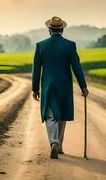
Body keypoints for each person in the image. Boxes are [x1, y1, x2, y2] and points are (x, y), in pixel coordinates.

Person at [32, 16, 89, 159]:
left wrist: (35, 89)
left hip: (48, 86)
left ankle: (54, 143)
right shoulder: (70, 45)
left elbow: (36, 69)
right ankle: (59, 145)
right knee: (62, 115)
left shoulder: (40, 45)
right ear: (62, 29)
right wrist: (83, 86)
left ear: (49, 30)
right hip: (64, 86)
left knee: (51, 116)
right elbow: (77, 67)